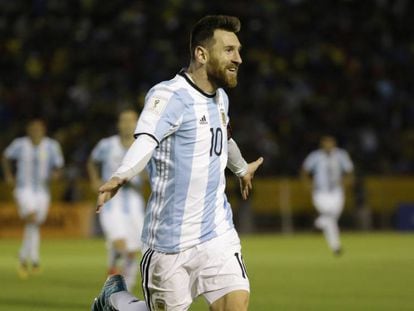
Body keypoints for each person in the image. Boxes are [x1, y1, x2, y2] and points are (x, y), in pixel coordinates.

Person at [91, 15, 263, 311]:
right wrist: (121, 175)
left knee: (235, 305)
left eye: (239, 50)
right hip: (169, 242)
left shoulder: (221, 99)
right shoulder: (168, 95)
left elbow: (223, 136)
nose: (239, 58)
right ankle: (117, 300)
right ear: (201, 53)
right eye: (229, 50)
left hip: (216, 232)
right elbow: (145, 140)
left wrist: (241, 168)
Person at [87, 109, 146, 291]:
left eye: (131, 121)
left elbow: (148, 173)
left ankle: (125, 286)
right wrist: (95, 180)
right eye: (124, 120)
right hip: (111, 202)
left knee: (131, 251)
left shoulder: (143, 145)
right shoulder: (107, 145)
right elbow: (92, 161)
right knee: (120, 243)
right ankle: (114, 271)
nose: (127, 124)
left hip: (134, 202)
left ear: (138, 123)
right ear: (118, 124)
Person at [2, 119, 64, 278]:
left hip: (43, 191)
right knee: (32, 218)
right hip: (24, 189)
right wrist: (8, 175)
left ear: (44, 131)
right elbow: (5, 157)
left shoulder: (51, 146)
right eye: (33, 129)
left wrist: (56, 174)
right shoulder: (19, 144)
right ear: (28, 130)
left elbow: (58, 166)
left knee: (34, 224)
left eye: (39, 129)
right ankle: (32, 259)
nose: (36, 132)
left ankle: (24, 255)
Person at [301, 135, 354, 256]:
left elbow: (349, 170)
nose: (328, 146)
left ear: (334, 144)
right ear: (322, 145)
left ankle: (318, 223)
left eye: (330, 143)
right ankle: (336, 247)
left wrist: (346, 183)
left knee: (331, 218)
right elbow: (304, 170)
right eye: (326, 143)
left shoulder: (341, 155)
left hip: (336, 191)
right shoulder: (315, 156)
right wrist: (307, 184)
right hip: (320, 192)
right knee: (330, 217)